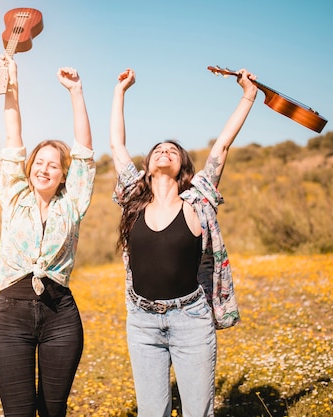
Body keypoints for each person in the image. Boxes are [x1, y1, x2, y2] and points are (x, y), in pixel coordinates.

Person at [110, 67, 257, 417]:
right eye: (158, 149)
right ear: (146, 167)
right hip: (142, 321)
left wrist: (248, 95)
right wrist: (120, 91)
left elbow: (221, 146)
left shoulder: (198, 200)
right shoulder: (134, 199)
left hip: (191, 319)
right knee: (152, 412)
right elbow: (116, 144)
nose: (165, 151)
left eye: (173, 151)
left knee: (197, 412)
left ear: (183, 167)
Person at [0, 54, 96, 417]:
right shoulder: (14, 195)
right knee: (17, 412)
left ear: (64, 175)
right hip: (10, 315)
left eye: (53, 164)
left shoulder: (73, 204)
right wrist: (12, 81)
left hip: (60, 316)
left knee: (54, 411)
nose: (44, 168)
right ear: (29, 167)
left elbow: (84, 153)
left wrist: (76, 91)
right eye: (39, 162)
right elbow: (12, 135)